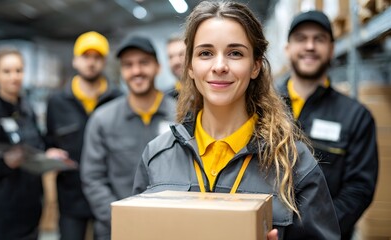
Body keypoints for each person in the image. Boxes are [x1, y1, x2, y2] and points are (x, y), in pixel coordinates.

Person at [132, 1, 340, 239]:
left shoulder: (294, 164)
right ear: (189, 66)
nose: (219, 66)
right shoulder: (157, 157)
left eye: (235, 53)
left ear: (255, 65)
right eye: (206, 53)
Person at [278, 10, 379, 240]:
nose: (310, 46)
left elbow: (358, 190)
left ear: (331, 49)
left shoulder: (356, 116)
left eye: (319, 39)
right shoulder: (262, 108)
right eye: (301, 38)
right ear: (287, 49)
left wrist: (313, 230)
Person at [0, 47, 69, 240]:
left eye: (18, 70)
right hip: (1, 217)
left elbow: (36, 144)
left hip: (30, 210)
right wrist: (4, 163)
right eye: (7, 71)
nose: (14, 76)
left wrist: (48, 153)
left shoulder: (27, 110)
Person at [80, 35, 176, 240]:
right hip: (115, 229)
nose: (136, 71)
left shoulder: (180, 117)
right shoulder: (102, 119)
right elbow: (93, 178)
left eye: (144, 62)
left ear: (158, 67)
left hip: (169, 227)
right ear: (122, 71)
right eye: (128, 65)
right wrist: (120, 218)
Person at [46, 31, 122, 240]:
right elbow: (49, 141)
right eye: (86, 56)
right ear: (75, 61)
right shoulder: (57, 102)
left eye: (97, 57)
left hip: (109, 194)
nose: (91, 62)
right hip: (71, 195)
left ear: (104, 62)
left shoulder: (118, 100)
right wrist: (49, 152)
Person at [165, 34, 186, 98]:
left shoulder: (206, 93)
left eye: (181, 54)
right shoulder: (166, 99)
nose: (175, 62)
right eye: (171, 57)